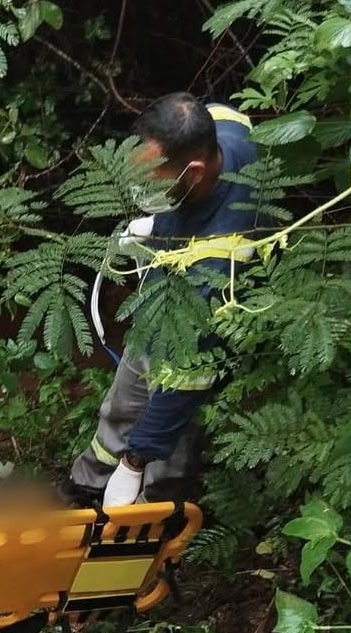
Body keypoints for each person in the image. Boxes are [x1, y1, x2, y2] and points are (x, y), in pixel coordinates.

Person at [68, 93, 266, 509]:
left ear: (194, 174)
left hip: (195, 327)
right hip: (161, 299)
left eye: (152, 182)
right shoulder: (222, 123)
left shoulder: (223, 257)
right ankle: (86, 487)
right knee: (124, 402)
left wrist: (135, 462)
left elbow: (188, 377)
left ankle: (155, 518)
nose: (141, 190)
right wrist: (158, 223)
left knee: (170, 444)